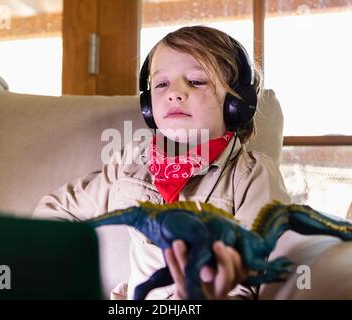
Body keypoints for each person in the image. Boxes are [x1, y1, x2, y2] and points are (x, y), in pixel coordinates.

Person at [33, 25, 290, 300]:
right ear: (148, 105)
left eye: (196, 81)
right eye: (162, 83)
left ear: (237, 103)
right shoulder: (131, 163)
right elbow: (55, 211)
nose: (174, 93)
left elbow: (258, 281)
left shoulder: (251, 177)